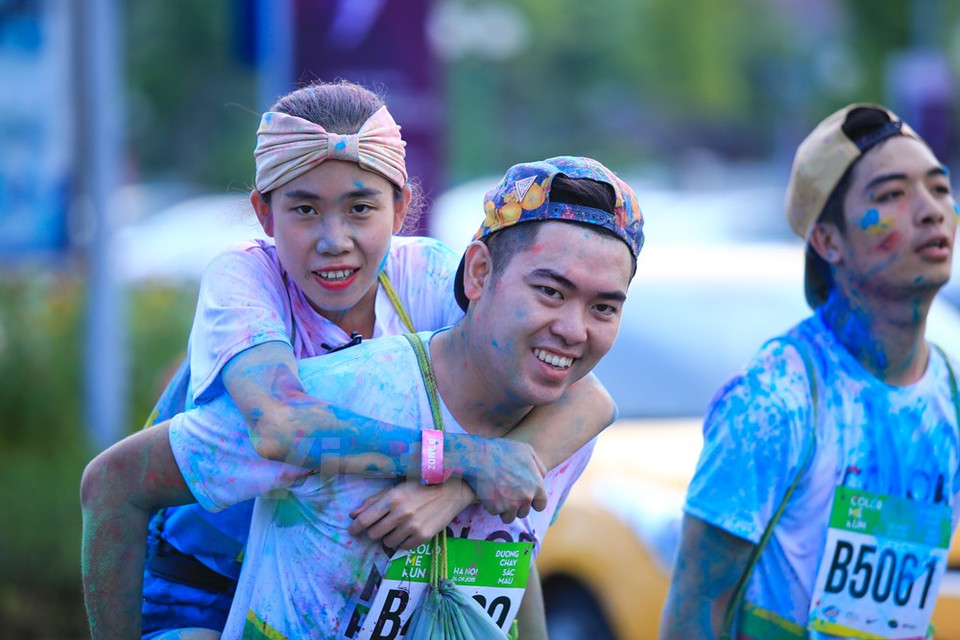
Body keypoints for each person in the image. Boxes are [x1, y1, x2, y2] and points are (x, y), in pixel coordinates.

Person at [81, 81, 616, 639]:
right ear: (264, 214)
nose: (333, 240)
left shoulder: (433, 275)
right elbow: (281, 426)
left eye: (361, 208)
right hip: (202, 584)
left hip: (334, 586)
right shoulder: (244, 279)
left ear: (401, 207)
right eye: (304, 209)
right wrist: (467, 460)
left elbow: (586, 397)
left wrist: (459, 489)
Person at [660, 103, 960, 640]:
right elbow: (693, 609)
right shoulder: (776, 401)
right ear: (827, 241)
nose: (932, 210)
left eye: (938, 188)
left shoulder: (949, 394)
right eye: (891, 195)